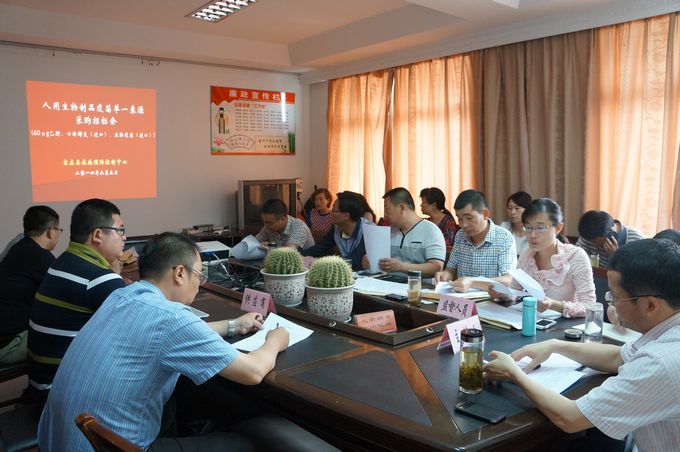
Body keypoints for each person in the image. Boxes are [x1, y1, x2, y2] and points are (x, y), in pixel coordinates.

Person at [38, 232, 290, 451]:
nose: (199, 285)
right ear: (180, 273)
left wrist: (233, 325)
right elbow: (253, 372)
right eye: (199, 276)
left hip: (58, 441)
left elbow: (171, 336)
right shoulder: (171, 317)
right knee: (244, 444)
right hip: (115, 447)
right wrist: (275, 339)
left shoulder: (122, 296)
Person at [484, 239, 680, 451]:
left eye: (615, 297)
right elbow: (618, 357)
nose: (611, 304)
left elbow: (570, 418)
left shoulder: (660, 362)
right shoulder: (666, 332)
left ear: (650, 305)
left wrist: (514, 373)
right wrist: (555, 345)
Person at [26, 199, 127, 412]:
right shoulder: (100, 278)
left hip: (41, 384)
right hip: (62, 396)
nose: (124, 237)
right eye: (120, 230)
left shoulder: (62, 261)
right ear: (98, 234)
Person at [488, 199, 595, 318]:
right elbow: (515, 291)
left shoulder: (575, 257)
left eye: (540, 228)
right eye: (528, 227)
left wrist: (554, 305)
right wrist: (503, 294)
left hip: (565, 326)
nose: (532, 235)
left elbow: (590, 306)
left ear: (558, 228)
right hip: (531, 321)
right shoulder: (527, 255)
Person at [0, 206, 61, 365]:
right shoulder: (40, 257)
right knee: (71, 334)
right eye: (59, 230)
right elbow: (68, 291)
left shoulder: (18, 248)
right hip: (9, 344)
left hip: (6, 336)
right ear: (51, 231)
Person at [435, 189, 516, 291]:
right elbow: (451, 269)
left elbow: (508, 280)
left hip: (492, 298)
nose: (464, 225)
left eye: (469, 218)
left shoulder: (504, 238)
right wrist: (445, 275)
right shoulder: (460, 235)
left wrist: (472, 282)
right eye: (460, 219)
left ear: (485, 214)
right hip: (461, 298)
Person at [363, 187, 446, 278]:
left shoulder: (431, 230)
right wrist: (370, 260)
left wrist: (402, 267)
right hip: (388, 282)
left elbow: (436, 267)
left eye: (387, 209)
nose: (385, 216)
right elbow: (381, 262)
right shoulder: (389, 231)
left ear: (402, 208)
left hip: (417, 284)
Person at [302, 191, 373, 270]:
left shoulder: (369, 231)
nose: (330, 213)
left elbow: (354, 261)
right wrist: (297, 254)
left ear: (346, 216)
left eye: (334, 210)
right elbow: (320, 247)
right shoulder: (337, 228)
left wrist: (318, 262)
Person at [575, 210, 645, 268]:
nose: (592, 244)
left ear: (609, 234)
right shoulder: (588, 235)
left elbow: (638, 274)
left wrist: (615, 258)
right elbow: (575, 262)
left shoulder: (637, 240)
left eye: (594, 241)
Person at [499, 191, 532, 256]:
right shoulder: (504, 227)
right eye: (510, 208)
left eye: (517, 208)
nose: (512, 212)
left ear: (527, 210)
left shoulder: (533, 231)